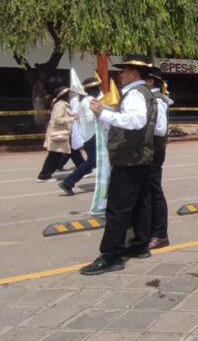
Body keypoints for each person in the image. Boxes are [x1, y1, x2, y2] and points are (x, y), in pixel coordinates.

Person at [81, 54, 158, 276]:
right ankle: (140, 245)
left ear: (134, 73)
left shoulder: (134, 94)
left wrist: (104, 113)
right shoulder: (147, 93)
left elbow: (136, 121)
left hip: (129, 157)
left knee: (118, 208)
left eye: (123, 71)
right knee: (141, 203)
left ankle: (112, 255)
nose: (120, 75)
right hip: (141, 155)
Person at [59, 77, 102, 195]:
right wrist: (103, 113)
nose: (100, 89)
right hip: (92, 136)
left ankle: (69, 182)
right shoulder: (89, 100)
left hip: (91, 135)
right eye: (98, 87)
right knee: (92, 162)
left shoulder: (86, 100)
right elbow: (90, 118)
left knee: (94, 162)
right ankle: (68, 182)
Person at [147, 69, 173, 249]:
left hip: (153, 150)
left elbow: (160, 129)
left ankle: (160, 233)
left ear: (150, 82)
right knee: (145, 190)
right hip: (145, 150)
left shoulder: (157, 101)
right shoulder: (148, 98)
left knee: (154, 189)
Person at [37, 87, 76, 183]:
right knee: (54, 155)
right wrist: (72, 118)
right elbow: (57, 119)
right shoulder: (60, 105)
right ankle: (43, 176)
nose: (70, 95)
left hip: (61, 133)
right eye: (68, 93)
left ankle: (45, 175)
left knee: (57, 155)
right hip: (58, 133)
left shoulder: (63, 104)